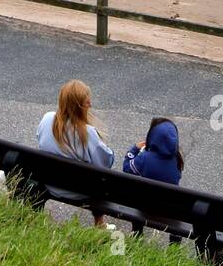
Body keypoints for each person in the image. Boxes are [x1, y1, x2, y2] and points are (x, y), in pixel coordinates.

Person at [36, 79, 115, 226]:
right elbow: (105, 163)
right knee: (101, 180)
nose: (90, 104)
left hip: (49, 182)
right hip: (78, 190)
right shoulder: (88, 133)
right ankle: (99, 223)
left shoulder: (47, 119)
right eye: (86, 102)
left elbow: (40, 140)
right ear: (78, 107)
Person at [122, 117, 183, 184]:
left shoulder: (145, 158)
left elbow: (126, 167)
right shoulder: (178, 158)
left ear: (154, 137)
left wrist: (135, 149)